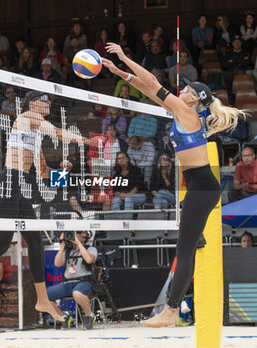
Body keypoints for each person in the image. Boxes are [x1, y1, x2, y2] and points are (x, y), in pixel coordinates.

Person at [102, 42, 247, 327]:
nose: (182, 90)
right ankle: (198, 238)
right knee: (188, 239)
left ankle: (171, 309)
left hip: (202, 186)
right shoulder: (187, 110)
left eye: (188, 89)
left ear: (193, 98)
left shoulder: (186, 111)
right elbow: (149, 90)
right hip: (201, 185)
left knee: (183, 251)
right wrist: (119, 72)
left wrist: (124, 56)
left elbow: (154, 83)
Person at [0, 90, 97, 323]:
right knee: (2, 241)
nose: (49, 103)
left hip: (21, 186)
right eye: (45, 100)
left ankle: (42, 299)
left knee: (36, 239)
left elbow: (44, 173)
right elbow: (57, 132)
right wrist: (88, 141)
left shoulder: (35, 136)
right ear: (33, 103)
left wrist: (64, 172)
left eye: (50, 101)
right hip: (8, 183)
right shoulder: (28, 117)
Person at [47, 231, 98, 329]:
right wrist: (62, 245)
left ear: (85, 235)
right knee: (45, 296)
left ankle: (89, 316)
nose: (76, 235)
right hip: (68, 284)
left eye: (79, 233)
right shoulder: (69, 251)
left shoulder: (91, 249)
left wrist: (78, 243)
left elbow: (89, 260)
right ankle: (64, 317)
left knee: (77, 293)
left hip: (85, 283)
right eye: (76, 233)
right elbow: (57, 263)